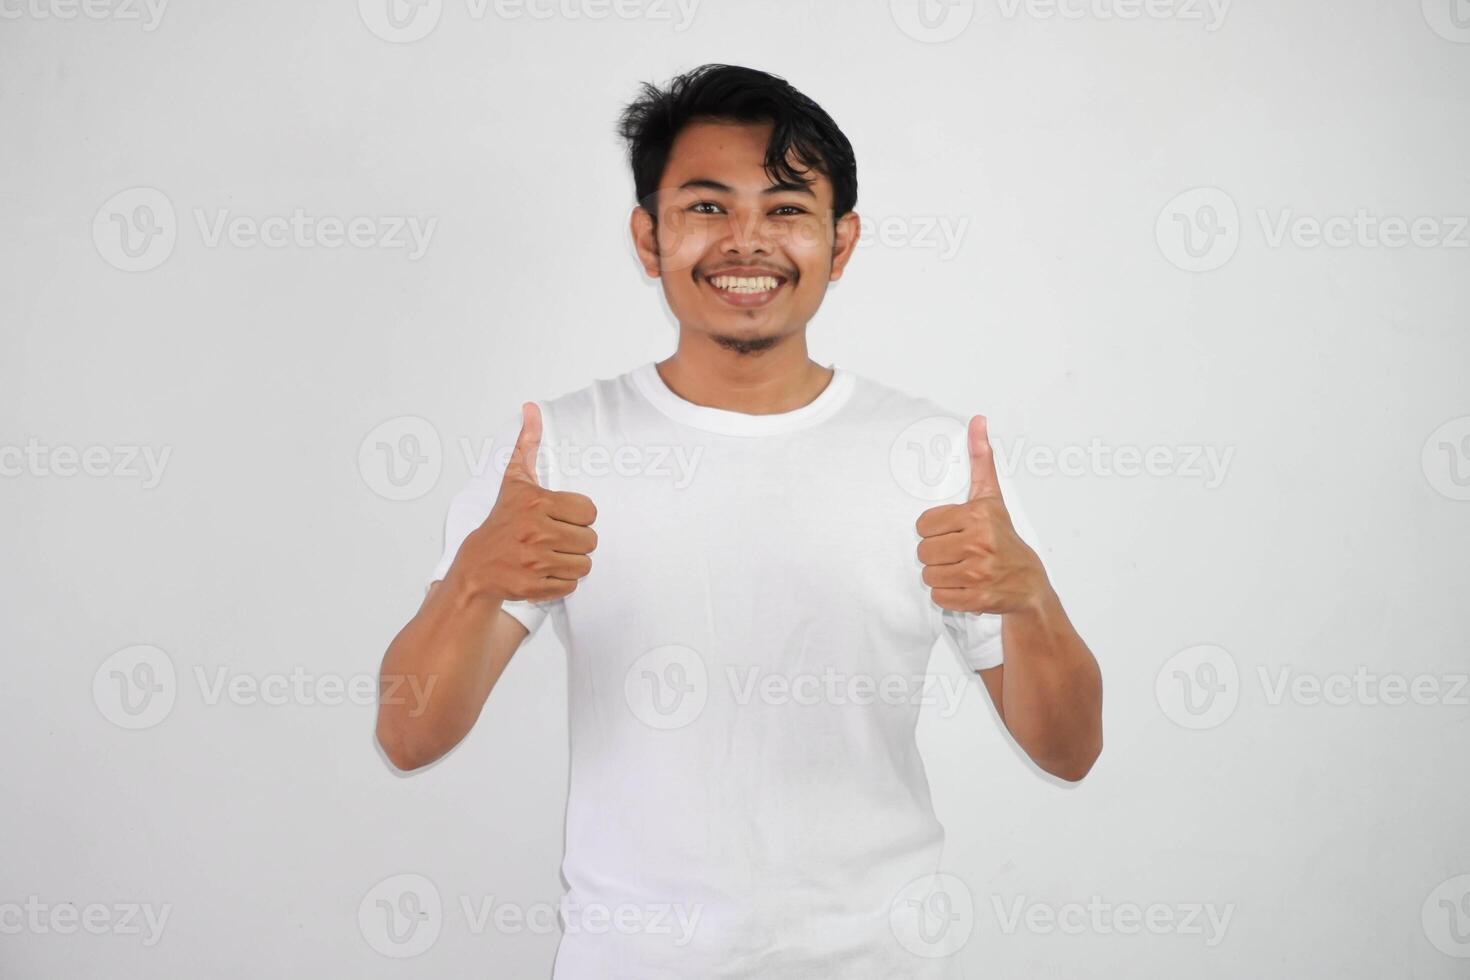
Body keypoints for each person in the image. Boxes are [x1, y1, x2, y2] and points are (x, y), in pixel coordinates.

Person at [375, 63, 1103, 978]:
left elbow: (1070, 750)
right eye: (708, 208)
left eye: (787, 209)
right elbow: (408, 736)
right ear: (649, 237)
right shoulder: (556, 449)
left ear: (841, 245)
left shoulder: (939, 458)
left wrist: (1032, 601)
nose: (747, 243)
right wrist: (476, 577)